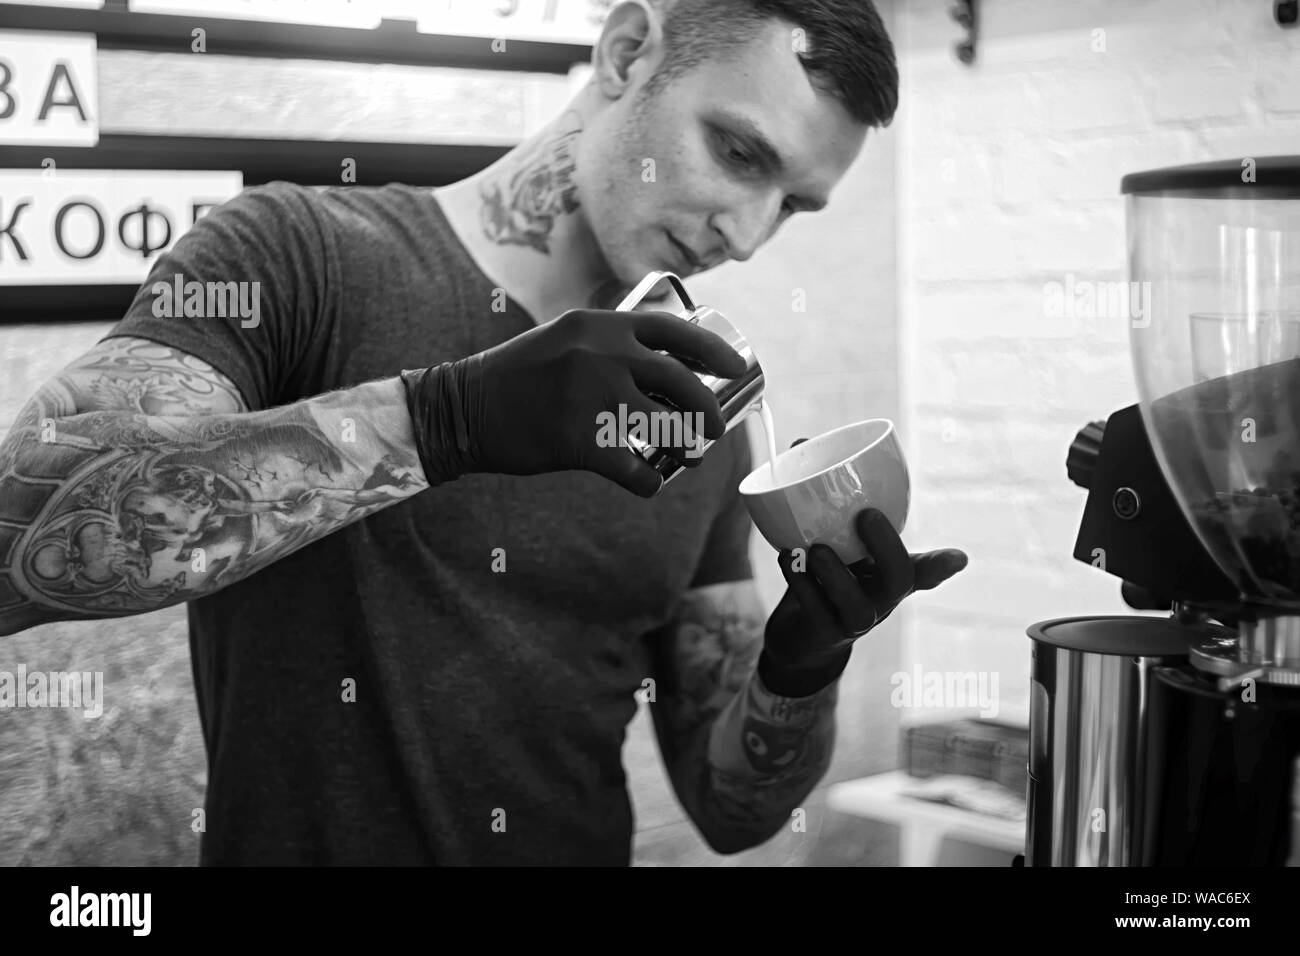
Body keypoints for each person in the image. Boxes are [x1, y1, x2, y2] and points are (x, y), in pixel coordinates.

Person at [0, 0, 967, 864]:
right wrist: (449, 419)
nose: (748, 236)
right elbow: (18, 534)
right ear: (629, 53)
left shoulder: (687, 408)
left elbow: (730, 809)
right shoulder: (300, 258)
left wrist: (800, 669)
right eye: (739, 153)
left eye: (792, 204)